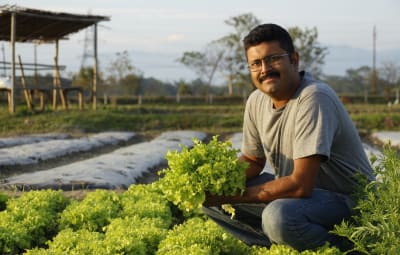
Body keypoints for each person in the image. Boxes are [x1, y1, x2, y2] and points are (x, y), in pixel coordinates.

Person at [203, 23, 375, 251]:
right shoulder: (256, 101)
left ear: (294, 59)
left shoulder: (313, 97)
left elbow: (300, 185)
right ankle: (281, 246)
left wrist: (236, 194)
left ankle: (349, 248)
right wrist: (215, 185)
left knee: (278, 217)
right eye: (256, 64)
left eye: (272, 59)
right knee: (214, 203)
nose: (264, 69)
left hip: (346, 202)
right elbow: (254, 160)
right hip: (305, 199)